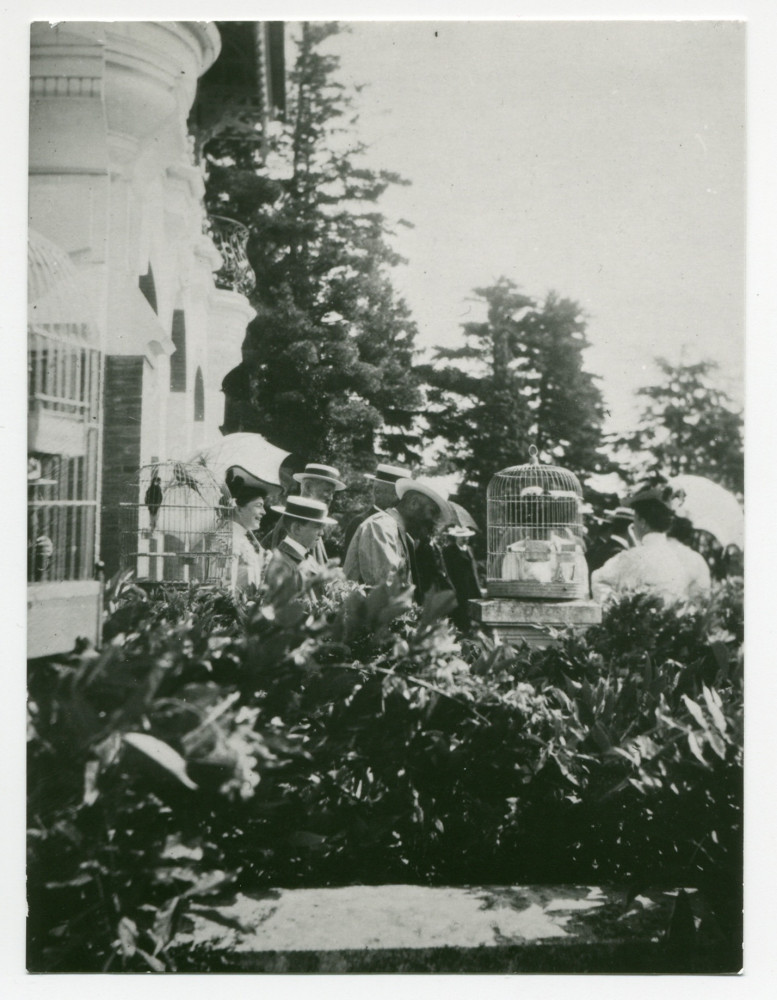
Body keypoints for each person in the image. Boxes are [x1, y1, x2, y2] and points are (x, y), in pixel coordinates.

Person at [591, 483, 711, 607]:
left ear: (642, 522)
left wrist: (616, 609)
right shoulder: (686, 558)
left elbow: (598, 580)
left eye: (635, 519)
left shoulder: (630, 559)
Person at [344, 479, 451, 600]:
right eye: (432, 512)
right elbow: (386, 591)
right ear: (413, 503)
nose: (433, 522)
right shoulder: (381, 527)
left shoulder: (399, 533)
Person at [264, 462, 345, 565]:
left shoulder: (310, 524)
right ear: (308, 487)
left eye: (333, 493)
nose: (330, 498)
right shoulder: (291, 527)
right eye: (327, 491)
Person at [263, 496, 337, 608]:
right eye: (317, 527)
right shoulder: (283, 565)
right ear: (296, 528)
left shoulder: (306, 557)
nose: (321, 533)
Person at [225, 466, 281, 593]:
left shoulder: (241, 539)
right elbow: (227, 587)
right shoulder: (229, 541)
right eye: (258, 506)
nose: (264, 512)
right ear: (239, 509)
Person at [341, 463, 412, 556]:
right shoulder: (361, 523)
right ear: (377, 491)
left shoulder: (404, 526)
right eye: (396, 494)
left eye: (403, 495)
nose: (401, 500)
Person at [442, 526, 484, 630]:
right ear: (456, 538)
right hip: (458, 586)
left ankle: (469, 631)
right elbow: (447, 570)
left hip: (470, 586)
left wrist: (477, 586)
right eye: (462, 537)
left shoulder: (469, 549)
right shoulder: (449, 551)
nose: (465, 539)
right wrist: (451, 587)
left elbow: (474, 569)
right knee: (459, 612)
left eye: (467, 537)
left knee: (471, 611)